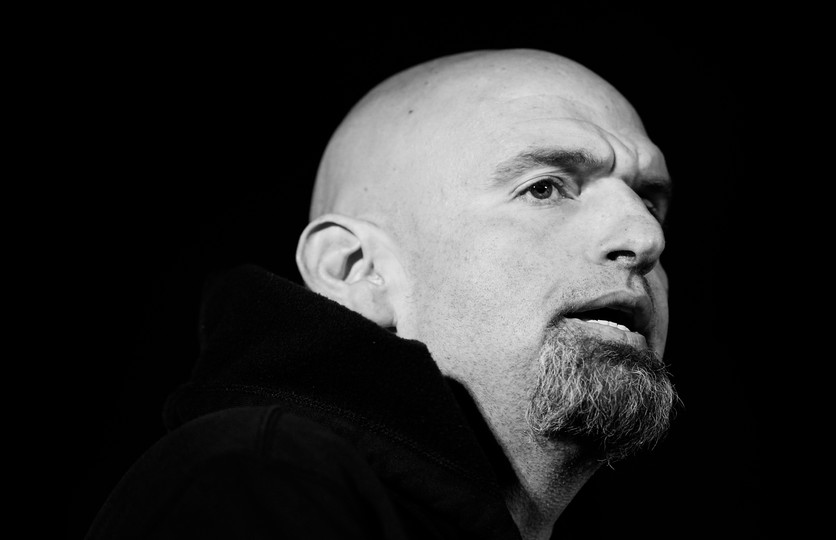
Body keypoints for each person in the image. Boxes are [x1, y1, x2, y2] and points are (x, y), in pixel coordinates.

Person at [86, 48, 677, 540]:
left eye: (648, 201)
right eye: (545, 188)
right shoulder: (255, 478)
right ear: (355, 270)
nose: (644, 236)